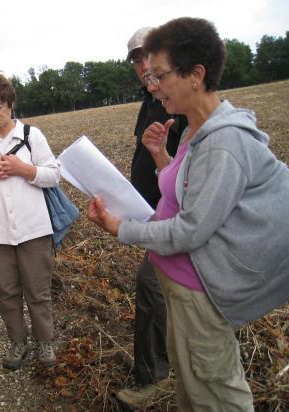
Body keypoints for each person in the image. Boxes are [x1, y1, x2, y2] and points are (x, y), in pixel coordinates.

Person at [88, 17, 289, 411]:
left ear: (196, 74)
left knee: (217, 394)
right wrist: (161, 158)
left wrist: (121, 227)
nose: (153, 85)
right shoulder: (193, 132)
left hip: (201, 292)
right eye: (150, 75)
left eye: (161, 75)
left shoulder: (223, 143)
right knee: (193, 388)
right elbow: (190, 193)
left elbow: (189, 230)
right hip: (181, 284)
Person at [0, 72, 60, 370]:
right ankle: (18, 342)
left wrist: (23, 169)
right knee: (6, 294)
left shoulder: (31, 136)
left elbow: (54, 175)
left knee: (38, 291)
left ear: (10, 103)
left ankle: (45, 342)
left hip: (34, 229)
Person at [116, 27, 188, 408]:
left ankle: (153, 378)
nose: (142, 65)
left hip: (178, 222)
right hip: (154, 215)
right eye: (135, 58)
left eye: (147, 55)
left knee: (152, 286)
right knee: (163, 292)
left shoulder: (178, 101)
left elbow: (188, 168)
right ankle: (173, 362)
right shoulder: (150, 101)